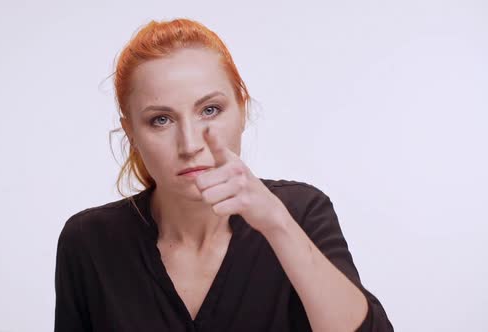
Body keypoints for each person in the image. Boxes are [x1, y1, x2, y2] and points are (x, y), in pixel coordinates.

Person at [54, 18, 393, 331]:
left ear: (242, 112)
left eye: (210, 110)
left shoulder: (300, 212)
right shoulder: (89, 242)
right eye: (161, 119)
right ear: (131, 133)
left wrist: (277, 224)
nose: (189, 144)